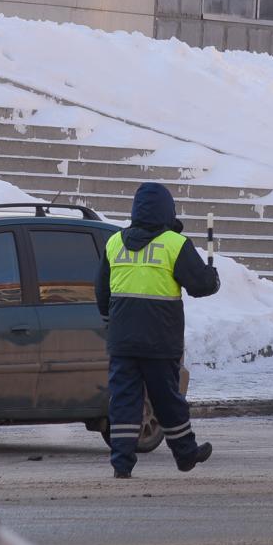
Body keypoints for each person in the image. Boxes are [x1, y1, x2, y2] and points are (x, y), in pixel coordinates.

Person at [95, 182, 220, 478]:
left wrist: (110, 320)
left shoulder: (114, 243)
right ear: (168, 210)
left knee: (124, 400)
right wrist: (212, 277)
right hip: (160, 340)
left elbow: (101, 292)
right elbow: (200, 286)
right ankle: (186, 455)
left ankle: (121, 465)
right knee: (166, 399)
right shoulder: (174, 244)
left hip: (123, 340)